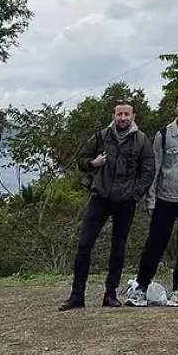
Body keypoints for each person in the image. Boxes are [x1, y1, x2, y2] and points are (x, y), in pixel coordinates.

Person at [59, 101, 155, 311]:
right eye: (119, 114)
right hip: (100, 196)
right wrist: (94, 164)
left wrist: (135, 193)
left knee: (118, 248)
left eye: (126, 114)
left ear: (133, 116)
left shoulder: (141, 140)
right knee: (84, 245)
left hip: (125, 201)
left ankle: (110, 295)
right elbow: (81, 159)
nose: (123, 118)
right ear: (113, 116)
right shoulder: (102, 136)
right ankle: (77, 296)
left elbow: (148, 171)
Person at [125, 92, 178, 308]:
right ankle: (141, 287)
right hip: (165, 198)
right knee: (154, 244)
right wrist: (150, 200)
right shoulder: (163, 134)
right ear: (175, 108)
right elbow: (155, 168)